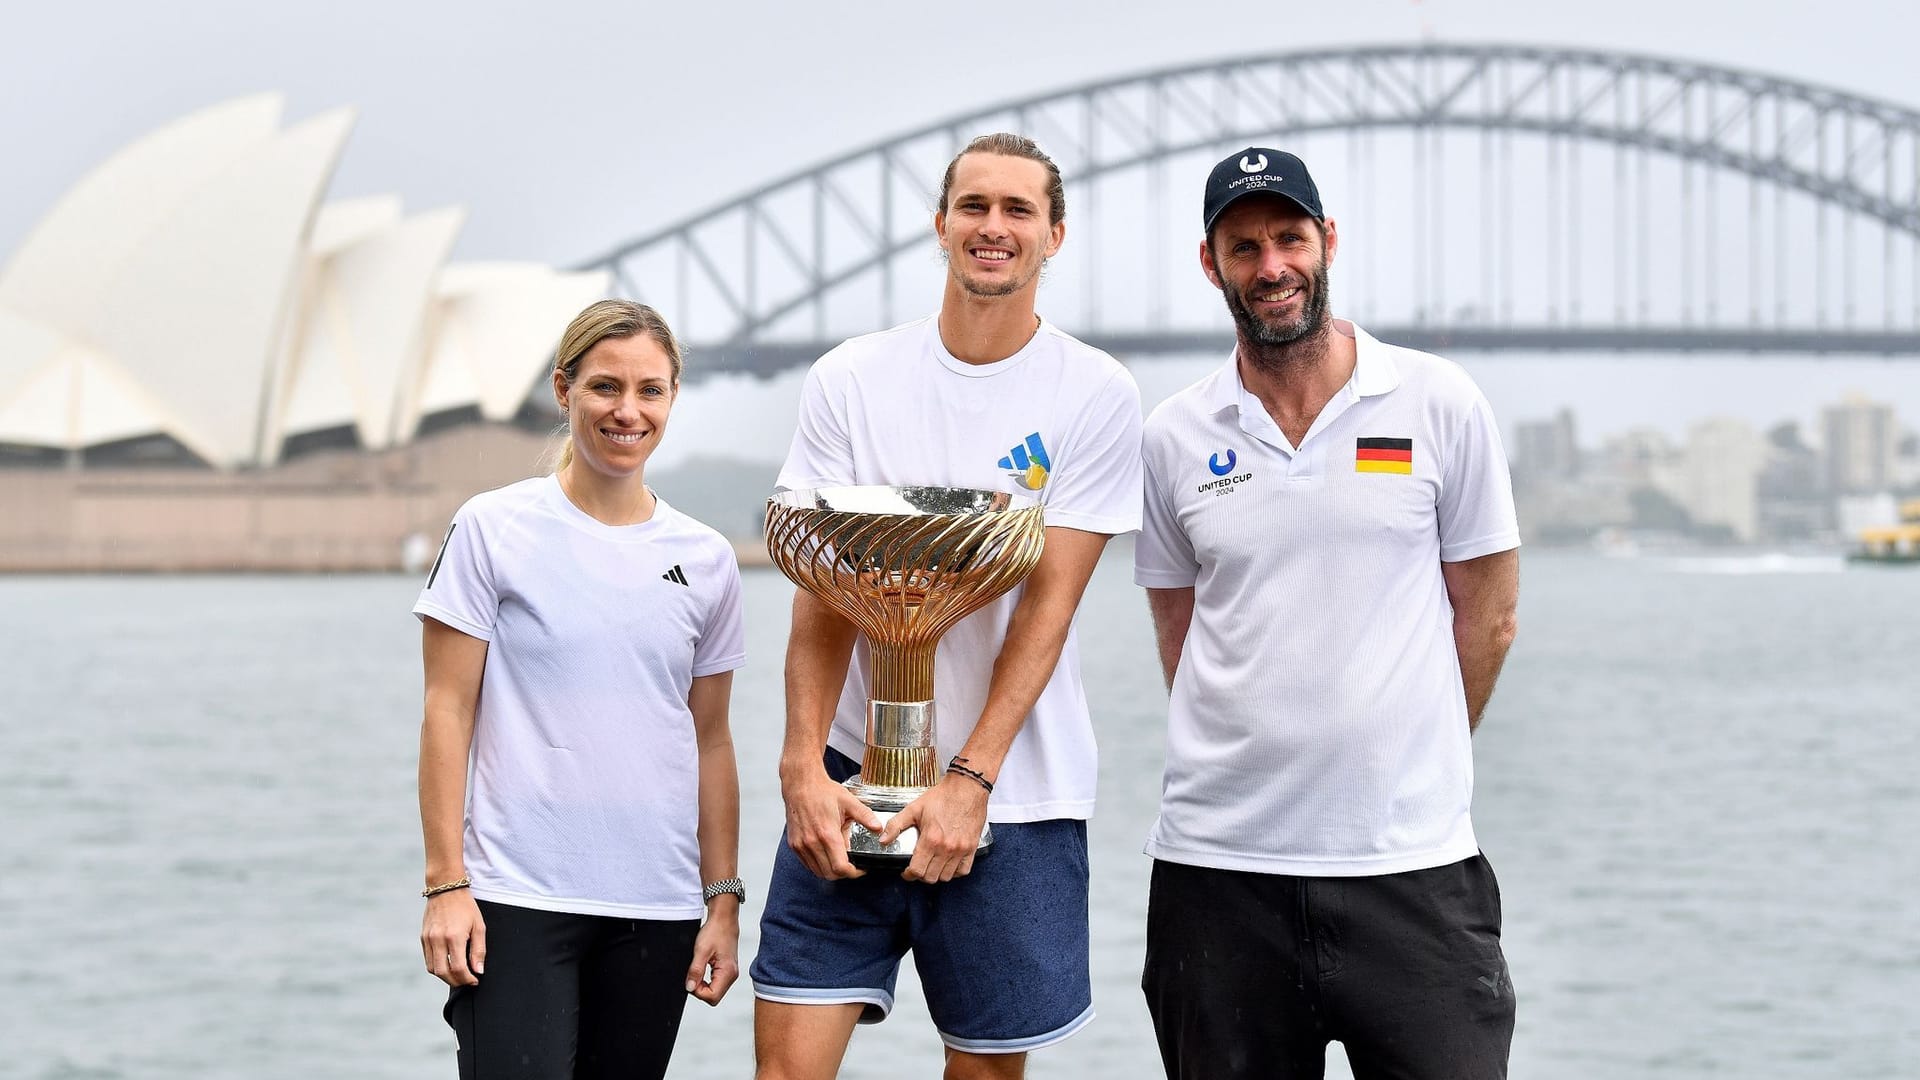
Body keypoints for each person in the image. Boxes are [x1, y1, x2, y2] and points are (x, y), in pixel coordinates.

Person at [750, 133, 1143, 1079]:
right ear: (940, 225)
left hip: (1014, 791)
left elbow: (1047, 609)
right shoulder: (850, 379)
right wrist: (802, 763)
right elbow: (822, 595)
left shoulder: (1095, 392)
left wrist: (970, 781)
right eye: (974, 207)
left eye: (1017, 211)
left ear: (1055, 235)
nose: (993, 228)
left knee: (982, 1071)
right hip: (850, 773)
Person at [1133, 147, 1522, 1079]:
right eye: (1244, 247)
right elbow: (1180, 633)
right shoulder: (1173, 436)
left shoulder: (1438, 403)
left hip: (1413, 873)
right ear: (1210, 262)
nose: (1272, 267)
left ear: (1327, 241)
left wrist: (1401, 748)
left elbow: (1491, 616)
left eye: (1289, 238)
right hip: (1218, 877)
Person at [413, 299, 747, 1079]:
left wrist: (722, 900)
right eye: (605, 387)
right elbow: (445, 709)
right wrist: (445, 885)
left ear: (671, 399)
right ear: (564, 390)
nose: (627, 411)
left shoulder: (705, 559)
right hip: (515, 897)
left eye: (650, 390)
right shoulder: (492, 528)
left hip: (655, 907)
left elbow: (712, 738)